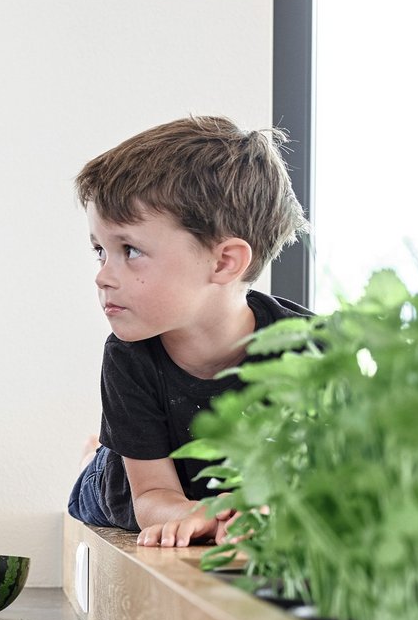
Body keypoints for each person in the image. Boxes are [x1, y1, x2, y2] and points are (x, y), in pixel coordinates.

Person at [64, 115, 313, 547]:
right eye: (100, 250)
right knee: (101, 481)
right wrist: (201, 513)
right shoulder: (129, 356)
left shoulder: (312, 350)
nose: (103, 275)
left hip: (227, 487)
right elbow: (151, 497)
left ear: (223, 262)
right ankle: (101, 454)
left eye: (131, 250)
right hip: (134, 487)